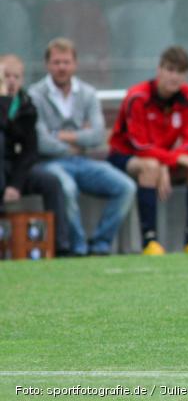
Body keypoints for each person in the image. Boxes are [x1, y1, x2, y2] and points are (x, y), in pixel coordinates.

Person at [29, 38, 136, 256]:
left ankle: (100, 243)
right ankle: (78, 247)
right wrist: (78, 139)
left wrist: (58, 134)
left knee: (125, 187)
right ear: (47, 65)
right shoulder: (35, 95)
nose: (61, 67)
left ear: (75, 64)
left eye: (66, 62)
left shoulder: (87, 93)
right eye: (56, 62)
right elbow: (40, 141)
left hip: (83, 160)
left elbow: (97, 135)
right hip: (50, 163)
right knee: (66, 187)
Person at [107, 46, 188, 255]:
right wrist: (171, 161)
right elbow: (140, 146)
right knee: (150, 166)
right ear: (159, 69)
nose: (175, 76)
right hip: (125, 155)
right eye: (170, 70)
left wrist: (169, 162)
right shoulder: (138, 97)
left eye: (180, 72)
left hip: (163, 157)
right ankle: (149, 241)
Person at [1, 54, 69, 254]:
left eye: (16, 77)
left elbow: (29, 150)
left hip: (14, 169)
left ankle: (61, 246)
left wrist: (15, 184)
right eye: (6, 76)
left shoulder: (26, 105)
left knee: (52, 182)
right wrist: (3, 99)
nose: (11, 82)